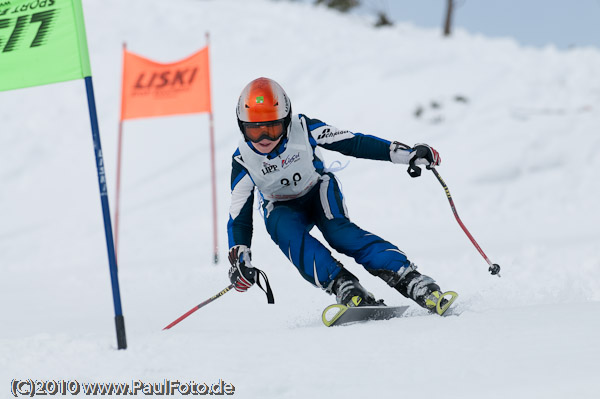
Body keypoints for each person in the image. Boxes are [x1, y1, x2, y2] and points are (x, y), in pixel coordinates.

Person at [227, 77, 456, 314]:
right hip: (281, 206)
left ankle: (409, 278)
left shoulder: (304, 128)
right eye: (254, 132)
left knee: (340, 234)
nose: (264, 140)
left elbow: (353, 143)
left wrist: (407, 155)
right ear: (241, 126)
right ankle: (343, 285)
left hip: (317, 190)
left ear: (286, 121)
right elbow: (239, 217)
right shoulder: (243, 160)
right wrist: (240, 259)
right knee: (287, 234)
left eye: (272, 129)